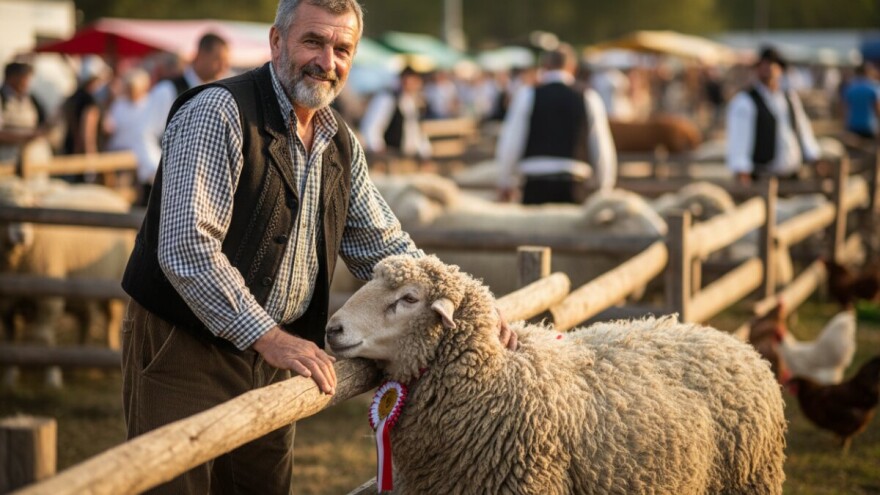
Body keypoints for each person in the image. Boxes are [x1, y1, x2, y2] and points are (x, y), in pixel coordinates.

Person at [119, 1, 514, 493]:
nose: (328, 61)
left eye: (342, 48)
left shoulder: (339, 140)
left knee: (259, 487)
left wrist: (472, 302)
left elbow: (383, 243)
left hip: (275, 355)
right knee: (175, 485)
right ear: (276, 42)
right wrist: (270, 335)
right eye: (313, 42)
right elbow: (187, 248)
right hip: (187, 347)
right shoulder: (218, 113)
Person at [496, 44, 617, 204]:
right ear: (572, 67)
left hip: (536, 185)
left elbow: (511, 143)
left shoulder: (527, 94)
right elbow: (601, 147)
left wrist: (505, 181)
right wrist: (604, 186)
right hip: (574, 185)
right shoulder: (588, 97)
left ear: (545, 66)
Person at [725, 46, 820, 185]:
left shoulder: (789, 97)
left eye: (772, 64)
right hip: (764, 178)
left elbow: (802, 128)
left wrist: (812, 155)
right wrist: (741, 169)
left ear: (780, 69)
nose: (768, 68)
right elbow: (739, 138)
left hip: (792, 175)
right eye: (763, 64)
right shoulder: (745, 101)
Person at [147, 32, 230, 137]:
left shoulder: (217, 94)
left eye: (226, 61)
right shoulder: (167, 89)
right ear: (201, 55)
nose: (224, 67)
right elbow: (148, 135)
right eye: (218, 60)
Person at [103, 68, 161, 205]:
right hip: (120, 151)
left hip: (143, 151)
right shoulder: (120, 104)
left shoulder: (150, 103)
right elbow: (110, 126)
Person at [359, 66, 431, 165]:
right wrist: (377, 148)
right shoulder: (387, 98)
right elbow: (372, 126)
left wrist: (424, 151)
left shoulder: (412, 101)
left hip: (408, 159)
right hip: (390, 157)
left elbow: (415, 130)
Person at [0, 62, 48, 166]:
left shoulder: (32, 99)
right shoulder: (2, 99)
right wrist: (25, 137)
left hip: (33, 160)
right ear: (12, 77)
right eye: (24, 78)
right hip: (7, 160)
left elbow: (43, 122)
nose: (27, 82)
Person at [841, 62, 880, 139]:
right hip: (869, 127)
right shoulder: (873, 87)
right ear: (867, 72)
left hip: (852, 125)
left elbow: (844, 108)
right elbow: (877, 109)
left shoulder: (849, 87)